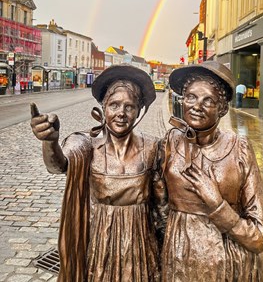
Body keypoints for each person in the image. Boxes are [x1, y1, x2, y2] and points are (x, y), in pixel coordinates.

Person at [30, 64, 167, 282]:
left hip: (140, 242)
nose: (121, 113)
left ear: (139, 110)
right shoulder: (86, 145)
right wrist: (50, 141)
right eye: (114, 105)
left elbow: (162, 205)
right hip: (102, 240)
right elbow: (58, 165)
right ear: (103, 107)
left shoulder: (152, 147)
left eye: (129, 107)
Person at [161, 61, 263, 281]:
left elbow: (260, 237)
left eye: (208, 100)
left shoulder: (239, 149)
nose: (196, 106)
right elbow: (156, 205)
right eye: (190, 97)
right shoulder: (170, 142)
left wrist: (217, 205)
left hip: (227, 266)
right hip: (178, 261)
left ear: (222, 108)